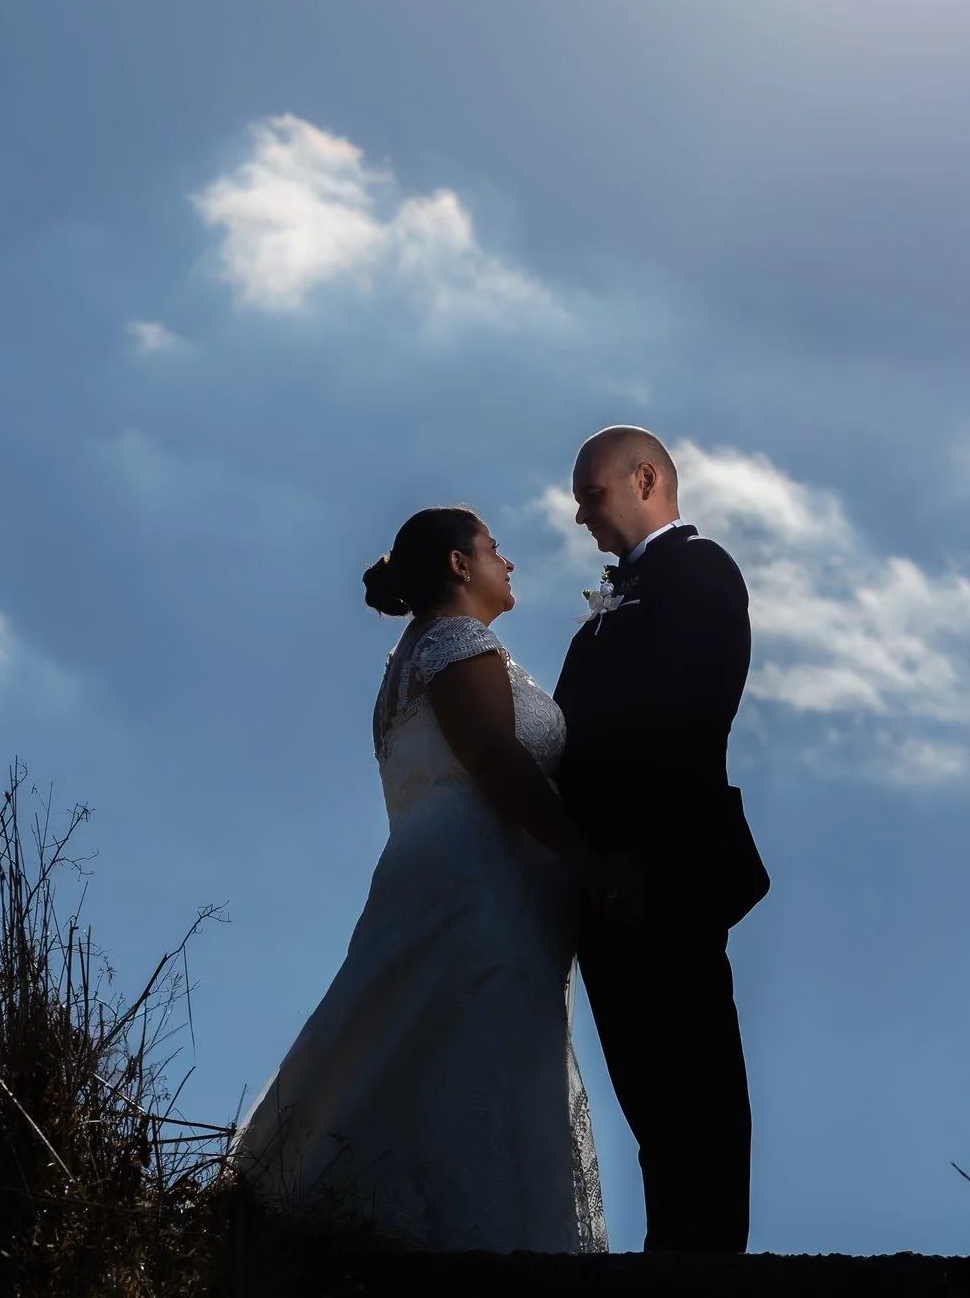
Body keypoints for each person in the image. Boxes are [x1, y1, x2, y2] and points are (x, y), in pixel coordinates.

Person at [230, 506, 631, 1252]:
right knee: (470, 1051)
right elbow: (494, 757)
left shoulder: (406, 663)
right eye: (494, 548)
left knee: (408, 1037)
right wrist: (584, 855)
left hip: (432, 865)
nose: (507, 562)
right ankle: (472, 1247)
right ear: (458, 564)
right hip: (480, 878)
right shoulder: (457, 641)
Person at [556, 426, 769, 1253]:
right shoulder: (604, 612)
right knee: (647, 1088)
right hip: (603, 885)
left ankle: (708, 1270)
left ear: (645, 478)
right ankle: (670, 1259)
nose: (580, 517)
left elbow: (693, 710)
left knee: (698, 1080)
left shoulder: (701, 570)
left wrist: (634, 857)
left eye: (591, 496)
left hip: (665, 871)